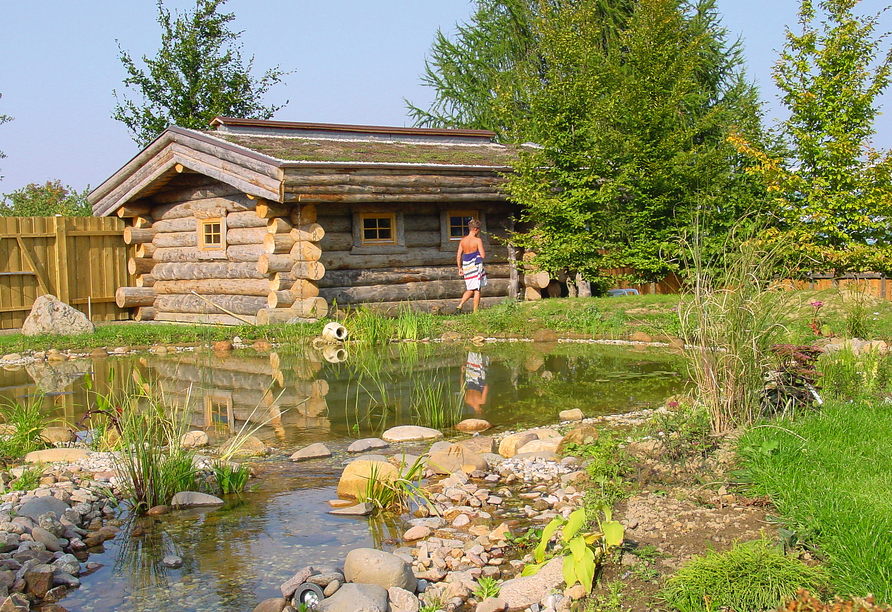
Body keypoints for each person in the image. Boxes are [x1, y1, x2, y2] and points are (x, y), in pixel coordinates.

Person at [456, 218, 487, 313]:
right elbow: (483, 255)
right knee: (477, 289)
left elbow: (458, 256)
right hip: (475, 266)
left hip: (466, 266)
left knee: (470, 288)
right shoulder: (477, 240)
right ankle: (475, 312)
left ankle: (460, 305)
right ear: (476, 229)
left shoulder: (463, 240)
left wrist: (460, 268)